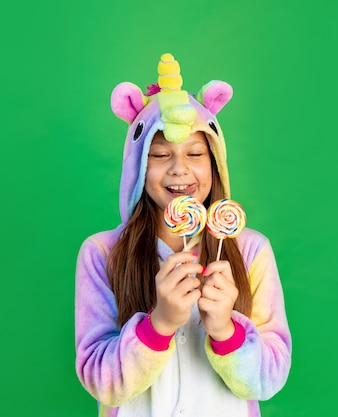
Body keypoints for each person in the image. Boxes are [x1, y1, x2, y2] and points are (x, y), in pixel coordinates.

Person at [75, 53, 291, 417]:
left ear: (215, 163)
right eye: (160, 155)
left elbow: (268, 380)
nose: (180, 169)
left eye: (195, 152)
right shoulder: (102, 253)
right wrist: (159, 324)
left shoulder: (251, 250)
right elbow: (101, 381)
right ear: (138, 166)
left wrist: (225, 329)